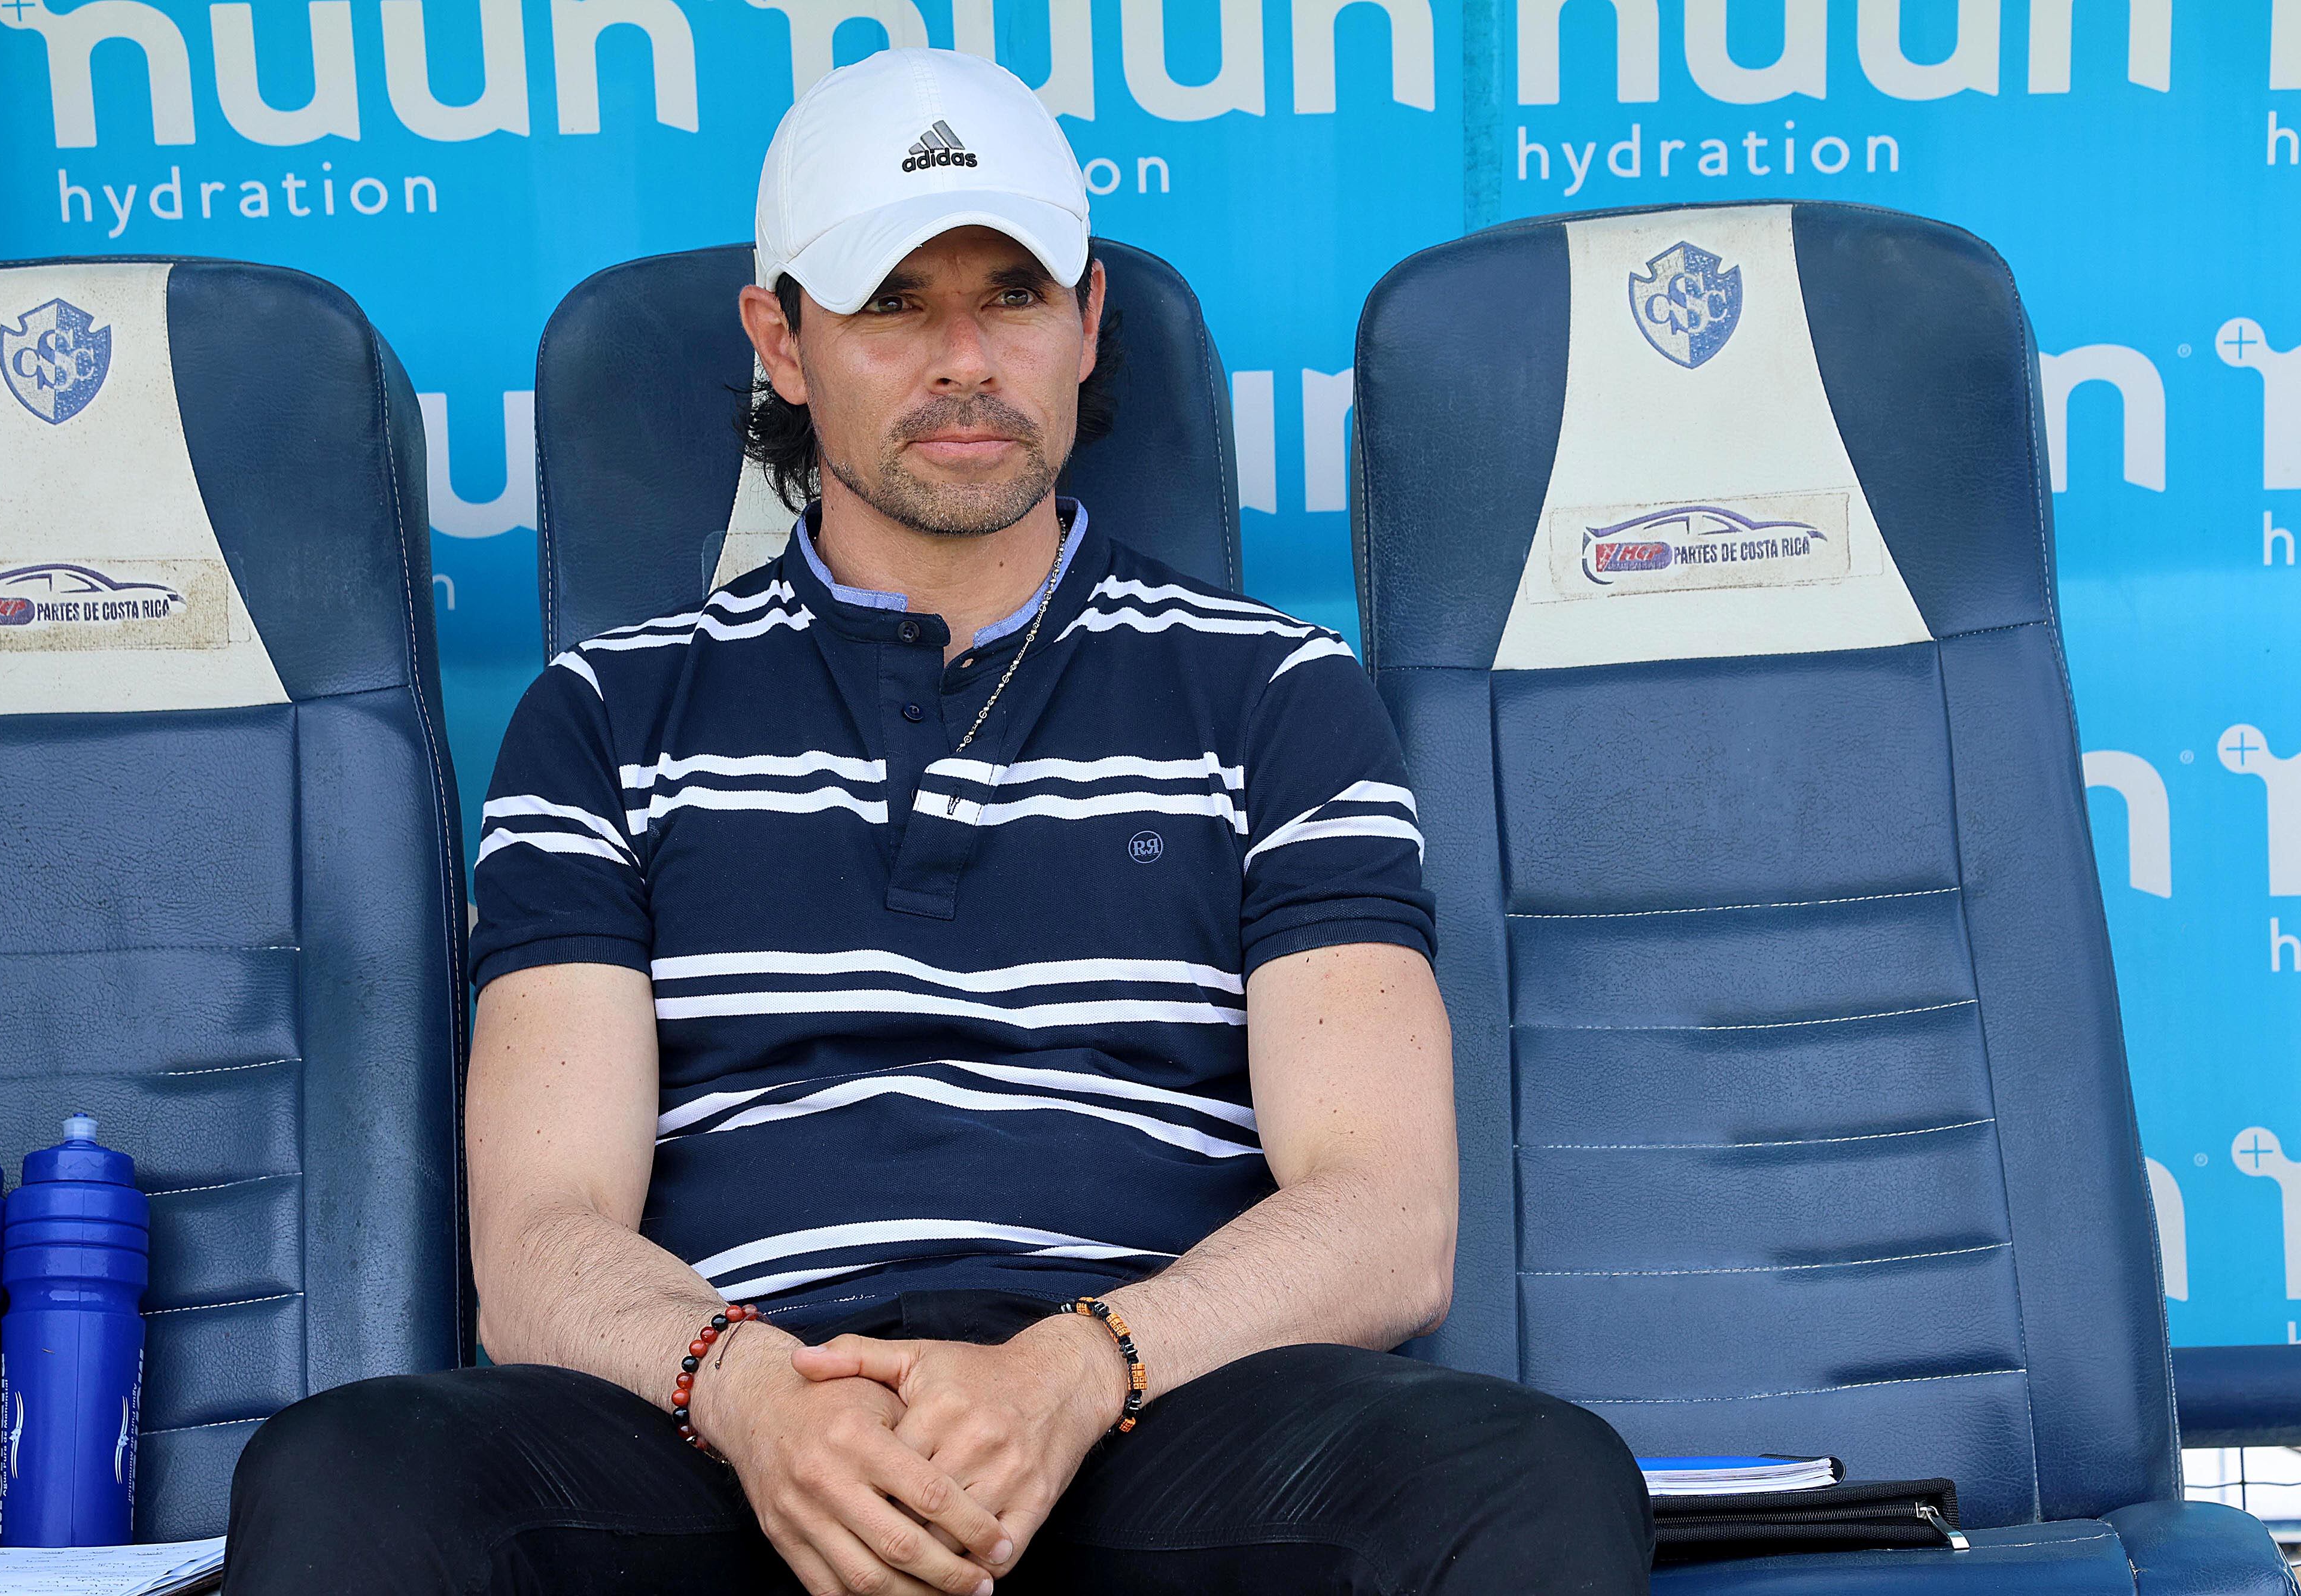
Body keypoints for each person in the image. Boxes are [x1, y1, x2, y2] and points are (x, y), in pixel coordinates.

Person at [223, 45, 1650, 1596]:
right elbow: (541, 1236)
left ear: (1090, 325)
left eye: (1014, 295)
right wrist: (756, 1395)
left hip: (1142, 1419)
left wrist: (1073, 1367)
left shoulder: (1278, 695)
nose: (963, 356)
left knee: (1530, 1476)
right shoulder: (604, 715)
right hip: (736, 1441)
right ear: (781, 339)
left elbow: (1382, 1210)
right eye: (894, 301)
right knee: (346, 1470)